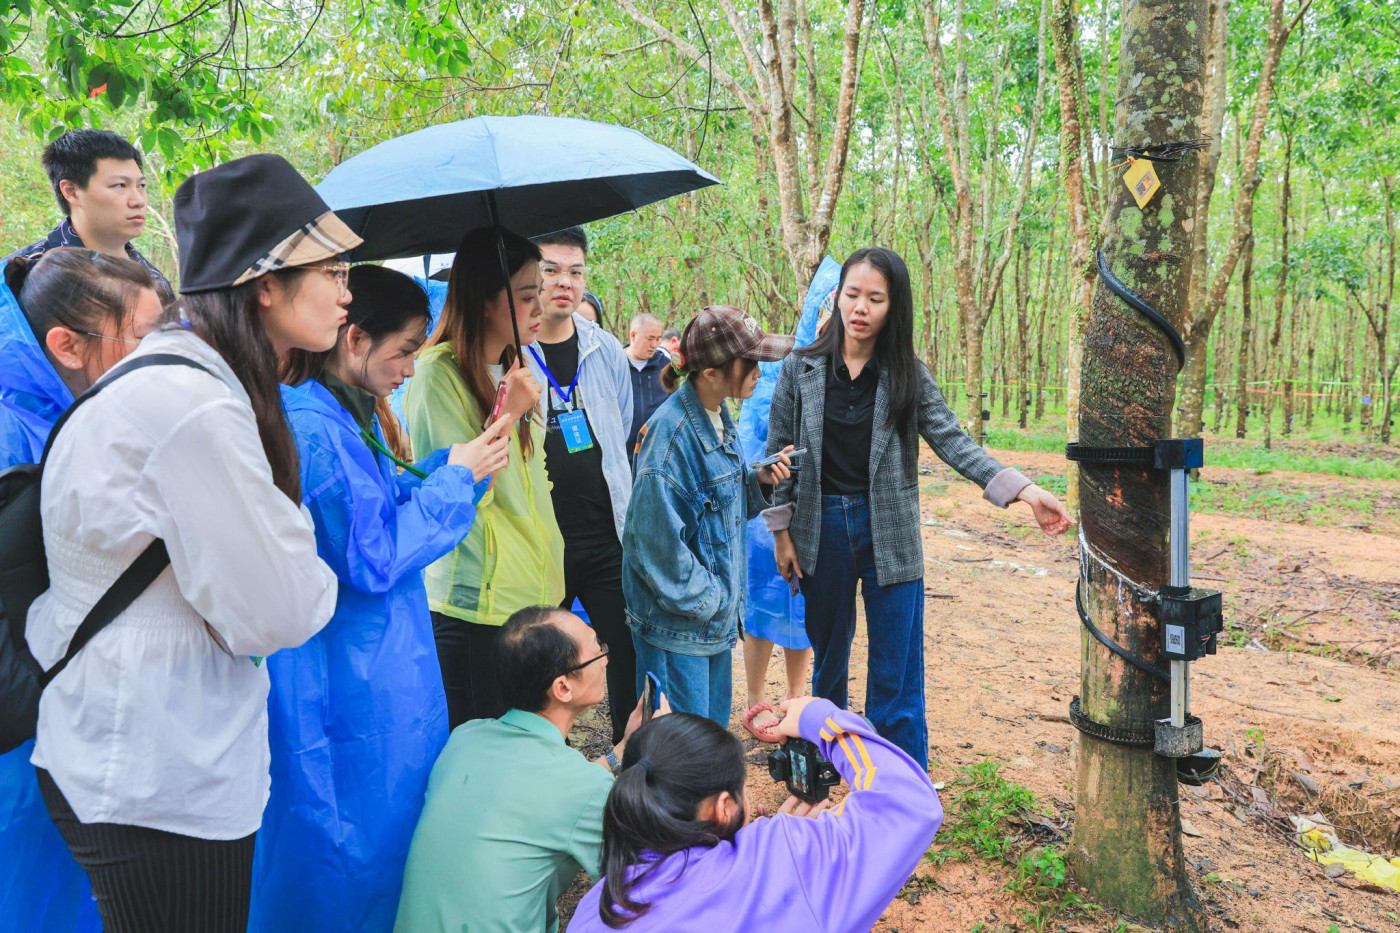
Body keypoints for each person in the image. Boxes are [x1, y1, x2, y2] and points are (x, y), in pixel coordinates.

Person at [26, 153, 351, 932]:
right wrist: (298, 551)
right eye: (333, 270)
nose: (348, 291)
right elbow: (281, 610)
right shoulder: (192, 406)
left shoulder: (187, 380)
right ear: (264, 283)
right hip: (156, 772)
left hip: (135, 753)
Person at [249, 265, 512, 932]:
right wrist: (456, 480)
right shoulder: (315, 424)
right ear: (355, 337)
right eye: (403, 352)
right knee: (347, 841)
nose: (408, 369)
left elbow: (383, 503)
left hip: (371, 656)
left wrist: (458, 466)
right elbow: (369, 555)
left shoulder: (338, 411)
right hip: (348, 669)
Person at [765, 247, 1073, 769]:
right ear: (837, 297)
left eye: (876, 298)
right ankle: (824, 768)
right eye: (853, 294)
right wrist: (782, 532)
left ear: (894, 307)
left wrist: (1023, 490)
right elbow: (780, 452)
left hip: (890, 533)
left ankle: (902, 783)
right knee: (829, 664)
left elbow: (954, 441)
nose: (861, 308)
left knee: (898, 671)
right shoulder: (802, 368)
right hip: (821, 533)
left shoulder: (906, 374)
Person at [0, 249, 164, 933]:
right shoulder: (17, 427)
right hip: (28, 721)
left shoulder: (98, 407)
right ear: (66, 345)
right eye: (143, 340)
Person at [569, 695, 942, 931]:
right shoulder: (784, 853)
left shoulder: (597, 907)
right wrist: (821, 719)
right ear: (724, 807)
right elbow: (908, 801)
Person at [395, 606, 658, 933]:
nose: (606, 659)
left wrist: (620, 751)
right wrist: (657, 755)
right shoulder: (580, 787)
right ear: (563, 687)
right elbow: (652, 877)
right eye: (597, 651)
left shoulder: (466, 737)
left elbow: (550, 794)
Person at [403, 225, 564, 729]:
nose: (539, 308)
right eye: (524, 296)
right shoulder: (437, 373)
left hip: (532, 597)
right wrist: (508, 413)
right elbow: (464, 488)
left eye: (538, 292)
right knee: (482, 755)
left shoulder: (516, 367)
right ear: (483, 299)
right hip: (477, 609)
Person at [622, 306, 794, 727]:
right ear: (713, 372)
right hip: (679, 628)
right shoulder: (671, 437)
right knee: (681, 751)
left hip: (709, 624)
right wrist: (713, 600)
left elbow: (714, 497)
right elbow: (652, 544)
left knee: (710, 734)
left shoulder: (716, 413)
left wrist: (757, 480)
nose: (758, 371)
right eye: (749, 362)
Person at [525, 225, 637, 743]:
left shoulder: (606, 348)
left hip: (607, 534)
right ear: (532, 275)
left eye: (575, 272)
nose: (563, 283)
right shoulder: (511, 352)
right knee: (543, 661)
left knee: (624, 650)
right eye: (550, 270)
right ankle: (548, 758)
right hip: (544, 542)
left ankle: (630, 763)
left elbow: (624, 426)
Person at [11, 129, 171, 295]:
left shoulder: (153, 279)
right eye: (119, 185)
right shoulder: (22, 277)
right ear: (71, 191)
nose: (138, 201)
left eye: (141, 186)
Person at [624, 311, 669, 457]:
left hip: (659, 450)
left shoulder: (665, 366)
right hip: (624, 452)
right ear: (633, 335)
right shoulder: (616, 365)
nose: (654, 345)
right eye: (650, 339)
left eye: (658, 339)